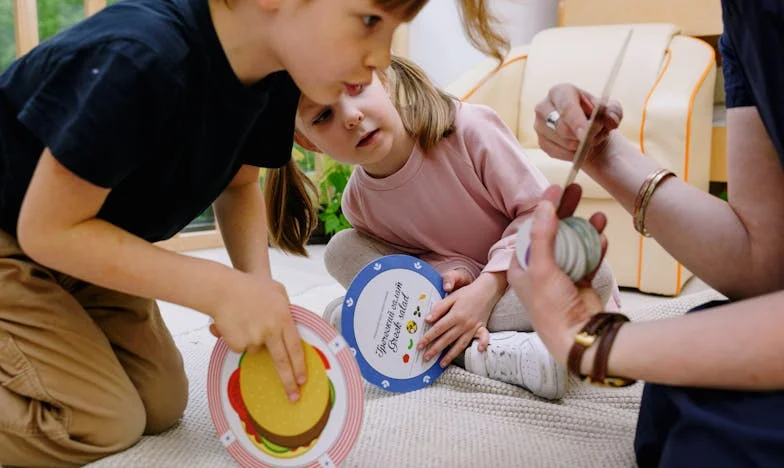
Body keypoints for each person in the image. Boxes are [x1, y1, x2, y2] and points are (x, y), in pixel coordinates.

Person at [0, 0, 508, 465]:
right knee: (101, 422)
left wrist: (261, 290)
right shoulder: (140, 58)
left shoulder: (276, 77)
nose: (380, 57)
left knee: (160, 403)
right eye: (370, 23)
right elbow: (49, 229)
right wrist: (219, 289)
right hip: (24, 236)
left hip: (88, 246)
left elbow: (240, 186)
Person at [506, 0, 784, 465]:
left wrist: (594, 342)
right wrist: (601, 152)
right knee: (679, 395)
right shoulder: (746, 18)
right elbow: (765, 263)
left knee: (711, 445)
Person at [292, 55, 622, 400]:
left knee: (596, 276)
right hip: (451, 301)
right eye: (323, 115)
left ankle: (465, 346)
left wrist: (485, 288)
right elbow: (416, 265)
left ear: (384, 79)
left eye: (356, 89)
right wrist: (454, 273)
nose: (351, 116)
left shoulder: (468, 129)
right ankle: (489, 351)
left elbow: (539, 214)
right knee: (341, 252)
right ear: (310, 142)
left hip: (518, 281)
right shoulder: (359, 204)